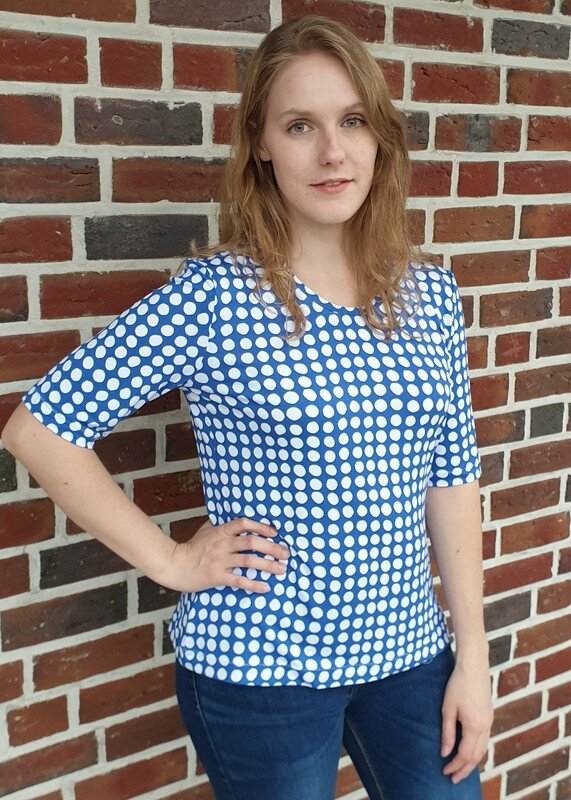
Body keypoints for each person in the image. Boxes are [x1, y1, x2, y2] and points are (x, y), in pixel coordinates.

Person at [2, 14, 493, 800]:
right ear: (261, 143)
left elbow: (452, 472)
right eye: (300, 126)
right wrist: (171, 561)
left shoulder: (427, 295)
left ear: (378, 137)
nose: (331, 152)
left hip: (409, 655)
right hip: (263, 671)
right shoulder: (215, 297)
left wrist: (472, 652)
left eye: (351, 121)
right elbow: (40, 429)